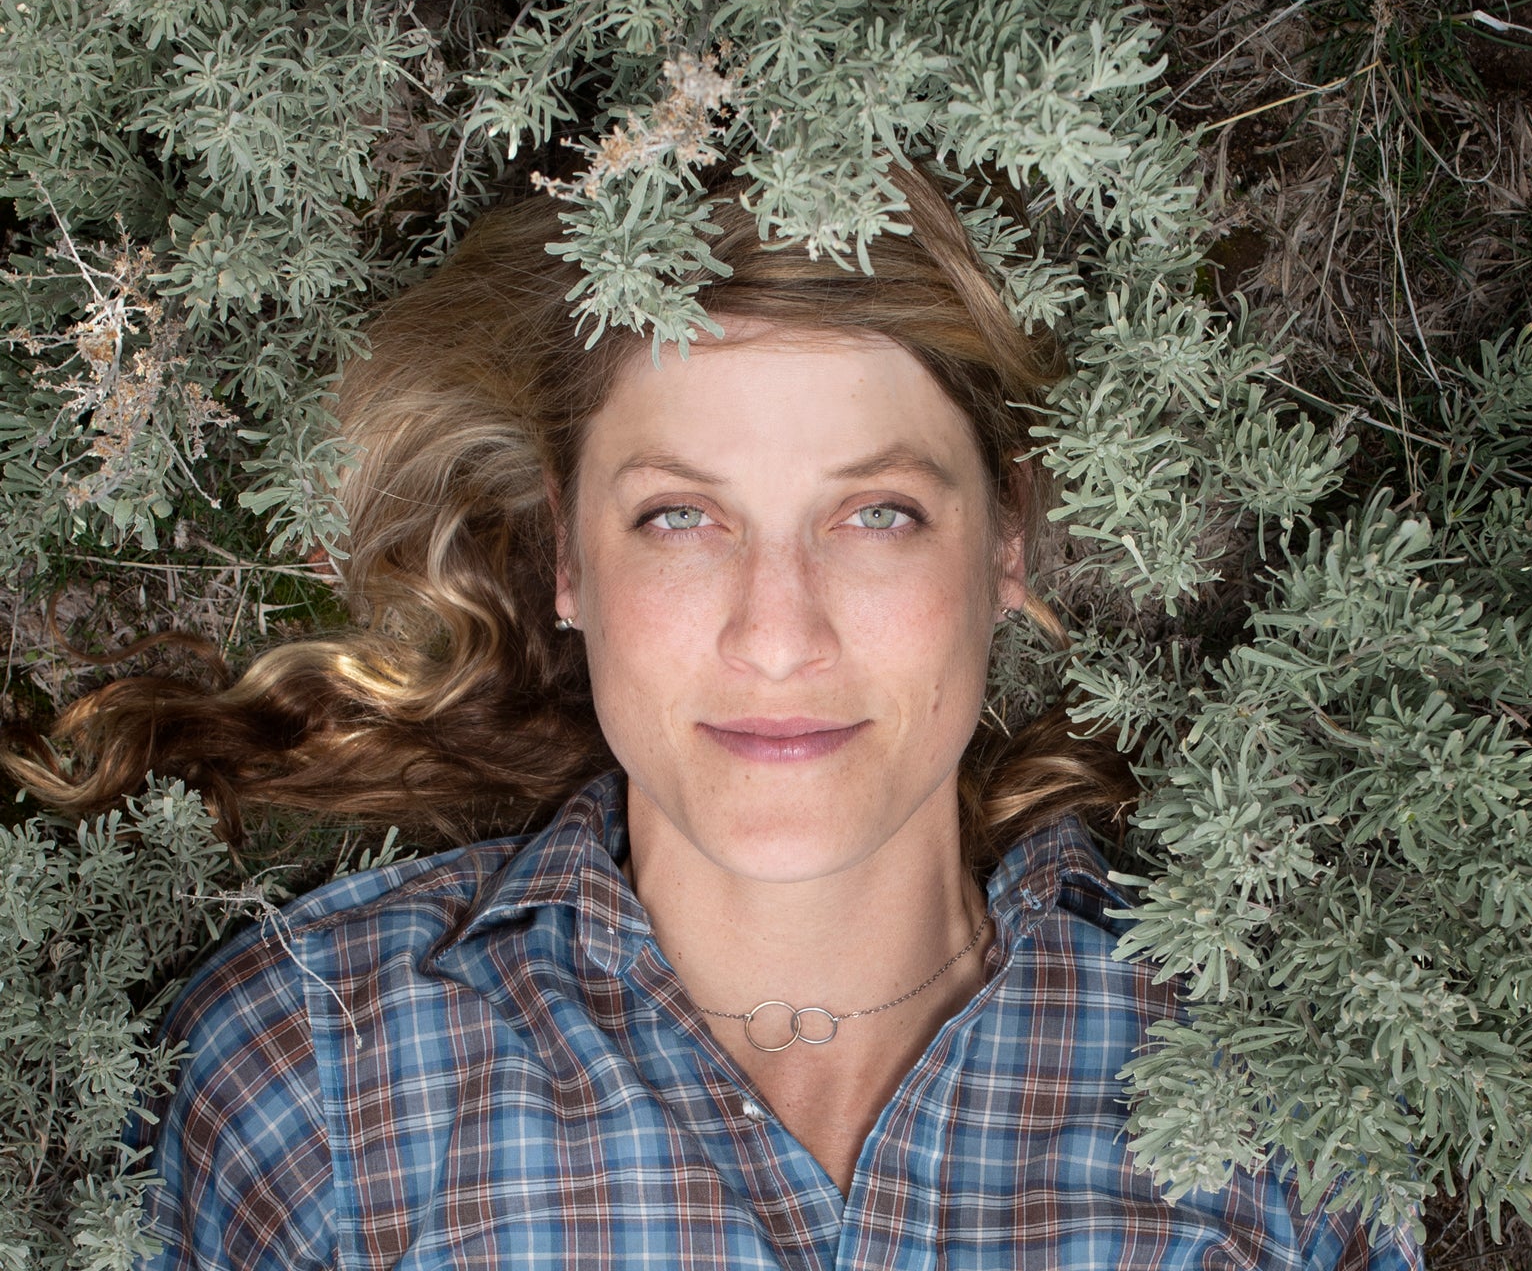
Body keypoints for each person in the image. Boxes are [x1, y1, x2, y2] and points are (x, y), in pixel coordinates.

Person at [5, 163, 1422, 1269]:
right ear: (569, 561)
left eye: (878, 515)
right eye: (681, 517)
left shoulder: (1263, 1098)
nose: (778, 630)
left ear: (1006, 550)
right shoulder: (310, 1071)